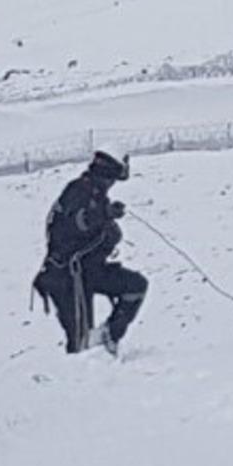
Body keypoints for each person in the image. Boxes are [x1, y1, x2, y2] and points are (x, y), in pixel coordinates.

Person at [33, 151, 148, 356]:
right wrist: (105, 214)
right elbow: (76, 224)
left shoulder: (97, 194)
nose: (112, 184)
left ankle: (108, 336)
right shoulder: (77, 191)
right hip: (66, 275)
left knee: (136, 285)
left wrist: (111, 228)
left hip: (90, 270)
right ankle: (80, 378)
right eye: (111, 179)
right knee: (79, 341)